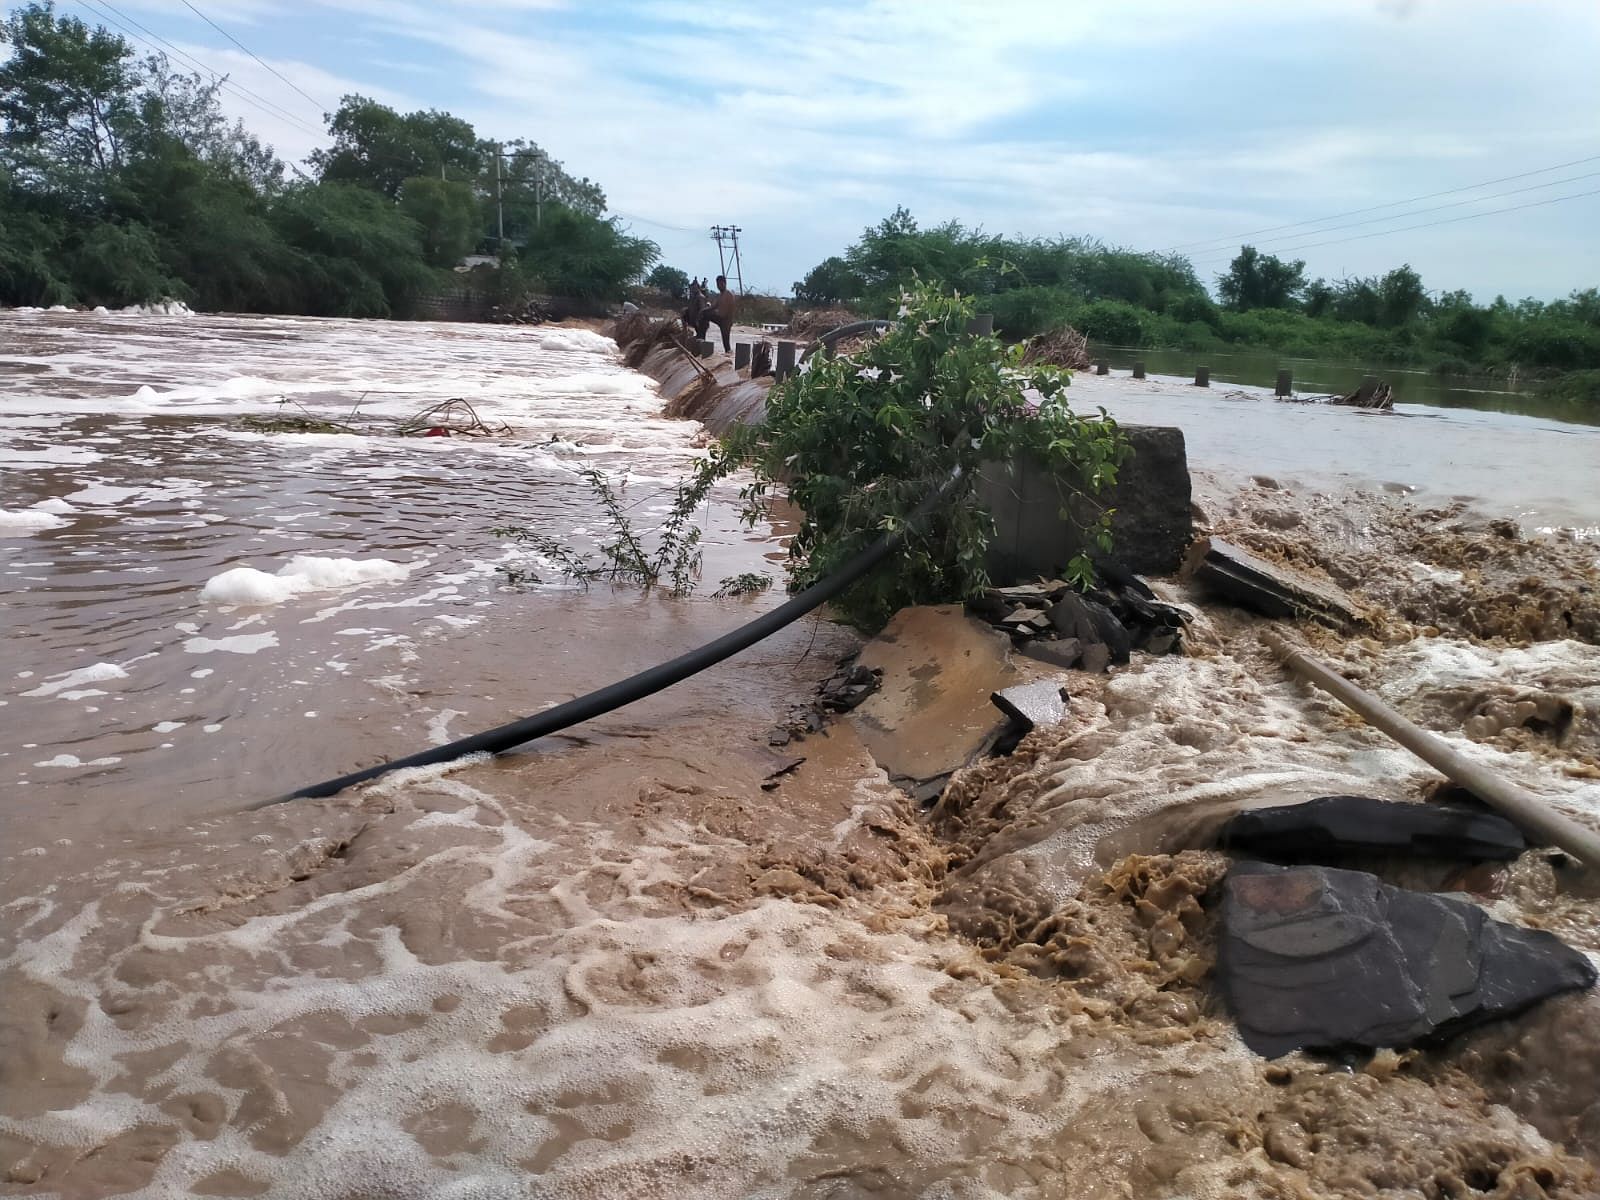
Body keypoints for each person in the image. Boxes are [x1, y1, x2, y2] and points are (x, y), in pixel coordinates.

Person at [706, 275, 737, 353]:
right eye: (717, 284)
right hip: (720, 318)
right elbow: (714, 307)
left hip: (726, 320)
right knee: (705, 314)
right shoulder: (720, 295)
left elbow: (730, 310)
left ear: (724, 283)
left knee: (726, 341)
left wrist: (728, 321)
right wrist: (704, 310)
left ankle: (728, 353)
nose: (719, 286)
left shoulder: (729, 294)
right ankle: (701, 336)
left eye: (720, 284)